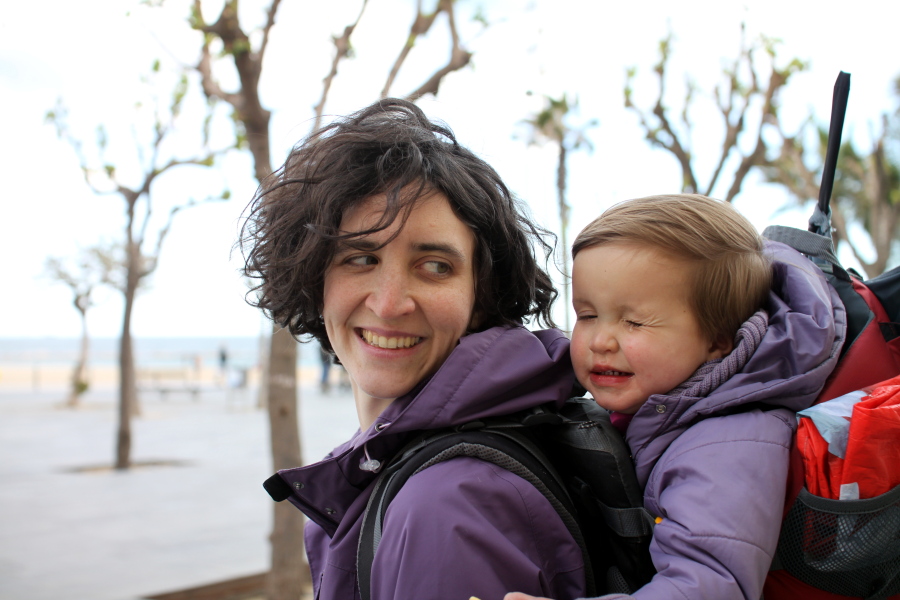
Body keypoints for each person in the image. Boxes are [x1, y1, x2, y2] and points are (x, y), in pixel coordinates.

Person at [241, 99, 586, 600]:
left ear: (482, 296)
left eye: (436, 267)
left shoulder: (445, 508)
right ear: (314, 278)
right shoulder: (404, 467)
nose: (389, 304)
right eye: (361, 258)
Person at [506, 194, 845, 600]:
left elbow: (708, 586)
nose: (600, 341)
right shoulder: (657, 409)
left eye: (634, 322)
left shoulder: (725, 445)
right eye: (588, 315)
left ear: (718, 340)